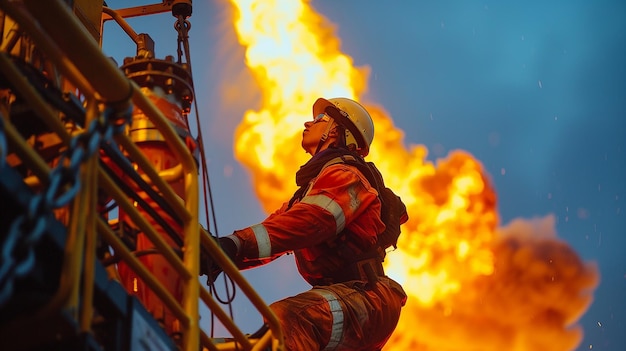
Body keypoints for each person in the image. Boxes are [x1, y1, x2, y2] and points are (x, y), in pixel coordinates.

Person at [208, 97, 408, 351]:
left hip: (368, 298)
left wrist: (230, 247)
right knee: (260, 341)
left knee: (292, 319)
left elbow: (311, 221)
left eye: (319, 120)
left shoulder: (348, 177)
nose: (308, 122)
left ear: (335, 131)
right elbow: (275, 231)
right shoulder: (307, 193)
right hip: (347, 295)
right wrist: (217, 252)